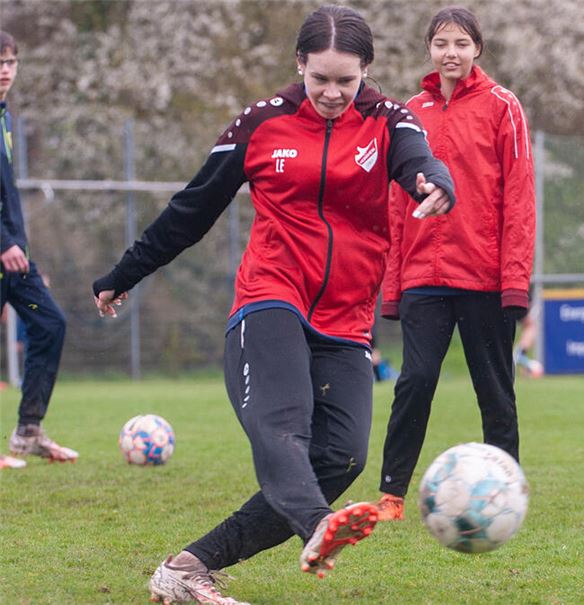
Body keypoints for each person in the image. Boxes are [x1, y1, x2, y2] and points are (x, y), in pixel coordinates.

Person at [92, 7, 454, 604]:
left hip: (345, 319)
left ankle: (187, 568)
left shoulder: (392, 121)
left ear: (367, 70)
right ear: (300, 67)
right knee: (281, 427)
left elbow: (421, 163)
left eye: (347, 80)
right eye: (321, 80)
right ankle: (317, 524)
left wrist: (435, 183)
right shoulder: (261, 123)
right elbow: (193, 208)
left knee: (341, 456)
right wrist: (125, 272)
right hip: (270, 297)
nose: (334, 93)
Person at [375, 6, 535, 522]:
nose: (452, 53)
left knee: (495, 388)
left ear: (477, 50)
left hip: (484, 276)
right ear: (429, 49)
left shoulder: (503, 106)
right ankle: (392, 493)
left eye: (462, 44)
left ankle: (505, 490)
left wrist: (514, 280)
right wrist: (394, 285)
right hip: (424, 275)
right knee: (415, 379)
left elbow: (519, 199)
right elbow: (397, 205)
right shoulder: (408, 112)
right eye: (442, 43)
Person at [0, 30, 78, 464]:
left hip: (15, 258)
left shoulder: (4, 117)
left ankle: (29, 430)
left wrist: (20, 249)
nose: (5, 70)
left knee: (50, 324)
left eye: (11, 62)